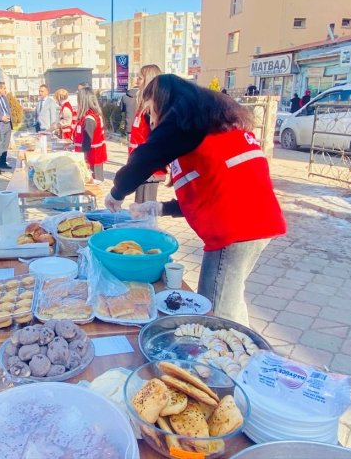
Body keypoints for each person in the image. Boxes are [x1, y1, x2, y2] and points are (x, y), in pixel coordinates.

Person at [104, 74, 286, 327]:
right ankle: (245, 351)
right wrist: (160, 207)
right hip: (254, 224)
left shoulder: (182, 119)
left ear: (161, 101)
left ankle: (236, 360)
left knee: (216, 313)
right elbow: (210, 188)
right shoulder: (207, 126)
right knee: (230, 299)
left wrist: (116, 193)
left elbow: (144, 159)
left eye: (150, 111)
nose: (151, 119)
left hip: (236, 229)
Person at [128, 64, 165, 204]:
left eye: (140, 78)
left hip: (149, 168)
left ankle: (149, 227)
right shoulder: (143, 106)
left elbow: (157, 140)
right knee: (139, 206)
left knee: (146, 208)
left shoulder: (153, 109)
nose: (136, 81)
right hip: (139, 165)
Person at [74, 87, 107, 181]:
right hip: (93, 158)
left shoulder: (89, 118)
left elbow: (87, 141)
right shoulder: (92, 115)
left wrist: (84, 160)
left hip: (91, 159)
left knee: (94, 185)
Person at [0, 81, 13, 170]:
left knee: (5, 144)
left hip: (8, 124)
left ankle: (3, 162)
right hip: (0, 124)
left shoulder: (4, 98)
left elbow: (7, 109)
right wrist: (1, 117)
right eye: (4, 88)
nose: (5, 90)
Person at [120, 78, 139, 142]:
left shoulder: (124, 97)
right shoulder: (145, 96)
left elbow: (122, 111)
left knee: (131, 146)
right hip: (142, 126)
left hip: (129, 126)